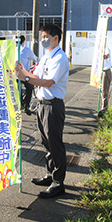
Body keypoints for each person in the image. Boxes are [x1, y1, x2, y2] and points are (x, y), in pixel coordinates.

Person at [15, 24, 69, 198]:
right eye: (42, 37)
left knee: (55, 144)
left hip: (53, 105)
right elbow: (37, 76)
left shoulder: (60, 58)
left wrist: (26, 78)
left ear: (56, 38)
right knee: (45, 142)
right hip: (42, 103)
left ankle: (58, 183)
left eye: (46, 36)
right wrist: (22, 71)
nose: (43, 40)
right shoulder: (47, 56)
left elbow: (48, 82)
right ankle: (50, 175)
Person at [18, 35, 39, 115]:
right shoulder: (26, 50)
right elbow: (35, 59)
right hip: (24, 75)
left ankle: (19, 103)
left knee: (16, 88)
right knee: (29, 87)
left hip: (13, 75)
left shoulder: (12, 49)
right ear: (24, 41)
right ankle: (27, 106)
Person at [98, 47, 112, 117]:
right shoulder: (99, 48)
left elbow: (107, 55)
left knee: (104, 91)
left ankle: (104, 109)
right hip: (102, 71)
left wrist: (104, 56)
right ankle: (104, 108)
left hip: (106, 71)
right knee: (102, 91)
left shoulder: (106, 48)